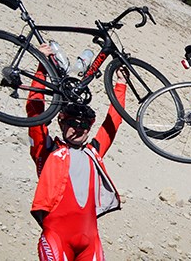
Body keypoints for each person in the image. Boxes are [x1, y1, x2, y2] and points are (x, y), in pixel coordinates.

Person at [27, 44, 128, 261]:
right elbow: (34, 111)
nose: (79, 128)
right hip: (57, 237)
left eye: (84, 124)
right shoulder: (48, 149)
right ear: (61, 123)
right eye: (72, 122)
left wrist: (121, 84)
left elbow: (114, 122)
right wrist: (42, 67)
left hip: (90, 240)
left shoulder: (94, 152)